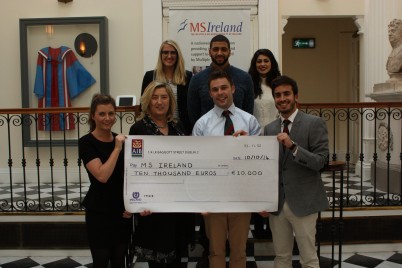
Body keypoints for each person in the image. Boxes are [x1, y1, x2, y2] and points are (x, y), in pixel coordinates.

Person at [192, 70, 261, 268]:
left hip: (242, 195)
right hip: (213, 197)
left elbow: (260, 161)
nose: (220, 92)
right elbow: (196, 164)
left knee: (239, 252)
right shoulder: (202, 125)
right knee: (215, 251)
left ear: (233, 88)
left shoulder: (250, 121)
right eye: (215, 89)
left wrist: (248, 145)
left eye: (224, 87)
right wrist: (200, 201)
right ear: (210, 94)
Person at [263, 75, 329, 268]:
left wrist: (293, 147)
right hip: (278, 204)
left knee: (308, 259)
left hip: (304, 202)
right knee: (281, 257)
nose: (282, 98)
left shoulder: (314, 123)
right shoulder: (269, 129)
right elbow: (266, 168)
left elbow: (320, 162)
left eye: (286, 94)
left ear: (296, 96)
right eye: (277, 95)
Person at [130, 81, 195, 268]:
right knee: (157, 261)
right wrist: (140, 201)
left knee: (177, 259)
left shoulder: (178, 126)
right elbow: (135, 169)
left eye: (164, 97)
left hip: (178, 204)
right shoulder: (139, 129)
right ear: (148, 101)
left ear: (170, 101)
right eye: (155, 97)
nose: (160, 102)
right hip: (153, 207)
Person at [79, 93, 132, 268]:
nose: (107, 118)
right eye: (102, 114)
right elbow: (102, 175)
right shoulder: (86, 143)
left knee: (119, 262)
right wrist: (117, 148)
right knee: (101, 262)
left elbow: (129, 176)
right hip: (99, 212)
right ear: (93, 116)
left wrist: (132, 205)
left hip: (120, 210)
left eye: (111, 113)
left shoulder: (121, 140)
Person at [248, 48, 281, 238]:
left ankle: (271, 224)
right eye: (259, 61)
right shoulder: (249, 84)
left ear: (272, 63)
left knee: (272, 182)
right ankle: (258, 224)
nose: (262, 64)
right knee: (255, 182)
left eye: (266, 61)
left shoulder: (278, 83)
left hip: (275, 140)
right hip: (255, 140)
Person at [187, 34, 254, 126]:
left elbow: (248, 112)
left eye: (224, 49)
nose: (219, 53)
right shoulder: (196, 79)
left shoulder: (245, 78)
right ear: (209, 52)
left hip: (239, 135)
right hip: (206, 136)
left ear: (229, 52)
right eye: (215, 49)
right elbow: (193, 114)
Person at [141, 40, 193, 134]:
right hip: (154, 129)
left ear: (177, 55)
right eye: (165, 52)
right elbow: (144, 105)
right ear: (160, 55)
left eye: (173, 53)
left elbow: (191, 106)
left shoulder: (187, 77)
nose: (169, 56)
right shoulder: (150, 76)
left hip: (180, 129)